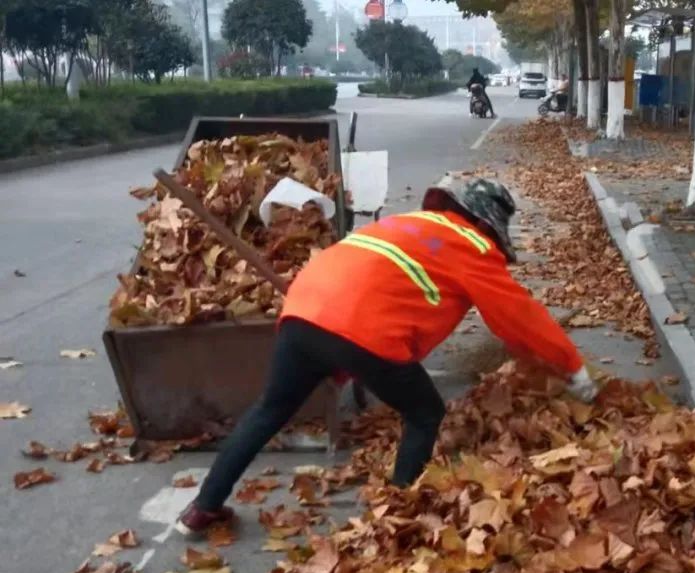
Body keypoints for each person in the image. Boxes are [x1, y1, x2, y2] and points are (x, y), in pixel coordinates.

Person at [176, 179, 596, 534]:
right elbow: (517, 316)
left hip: (303, 310)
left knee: (269, 410)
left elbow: (370, 285)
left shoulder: (407, 223)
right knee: (425, 413)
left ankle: (203, 507)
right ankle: (396, 515)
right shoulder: (472, 245)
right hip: (364, 329)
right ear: (488, 224)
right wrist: (572, 366)